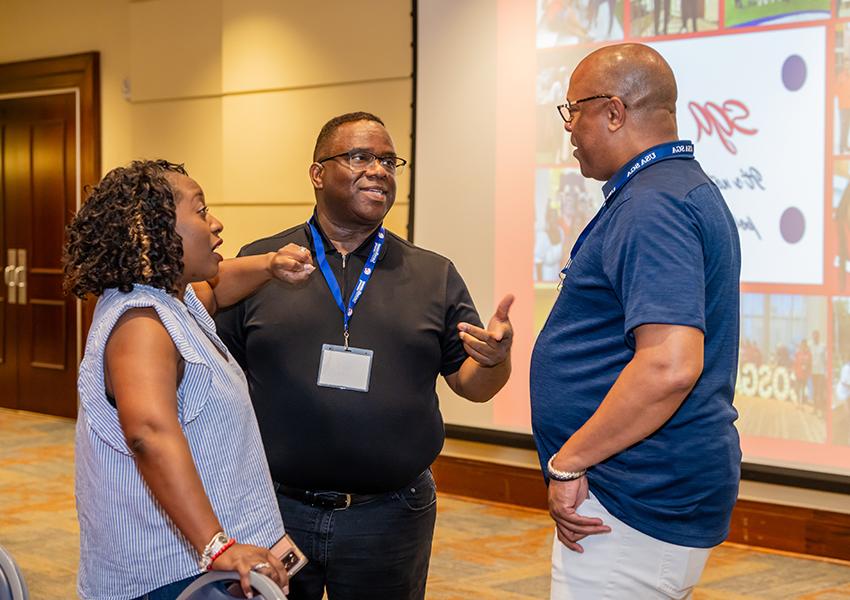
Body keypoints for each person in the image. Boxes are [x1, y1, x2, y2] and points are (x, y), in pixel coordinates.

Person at [215, 111, 514, 600]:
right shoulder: (262, 263)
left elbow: (472, 387)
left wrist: (495, 359)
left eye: (388, 161)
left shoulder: (432, 275)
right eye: (360, 157)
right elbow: (219, 378)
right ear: (317, 173)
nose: (379, 170)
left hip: (391, 515)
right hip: (275, 509)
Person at [532, 44, 742, 598]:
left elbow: (670, 365)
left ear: (614, 112)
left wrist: (569, 462)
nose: (570, 129)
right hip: (643, 490)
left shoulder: (653, 205)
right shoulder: (675, 189)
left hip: (630, 499)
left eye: (573, 111)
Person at [65, 160, 315, 600]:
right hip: (171, 575)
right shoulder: (141, 324)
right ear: (150, 232)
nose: (216, 223)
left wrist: (271, 265)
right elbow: (148, 433)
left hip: (202, 564)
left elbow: (216, 289)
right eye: (200, 211)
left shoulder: (170, 298)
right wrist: (217, 546)